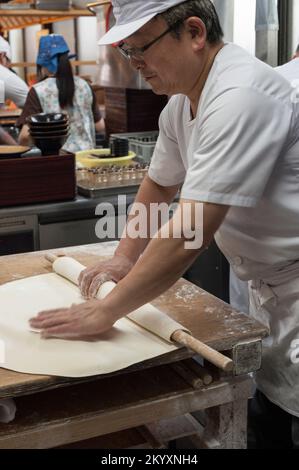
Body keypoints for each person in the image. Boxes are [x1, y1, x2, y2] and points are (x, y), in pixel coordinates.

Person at [30, 0, 299, 448]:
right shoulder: (181, 105)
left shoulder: (241, 95)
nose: (136, 65)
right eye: (126, 53)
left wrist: (106, 311)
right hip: (266, 288)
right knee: (269, 409)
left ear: (194, 32)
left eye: (141, 49)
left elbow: (189, 232)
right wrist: (122, 259)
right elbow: (157, 186)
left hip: (295, 283)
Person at [18, 34, 105, 153]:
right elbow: (100, 126)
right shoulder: (84, 85)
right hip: (88, 159)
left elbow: (24, 136)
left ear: (43, 63)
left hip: (58, 162)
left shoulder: (38, 91)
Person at [0, 36, 29, 109]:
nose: (9, 66)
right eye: (8, 61)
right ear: (2, 55)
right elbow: (30, 102)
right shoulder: (5, 76)